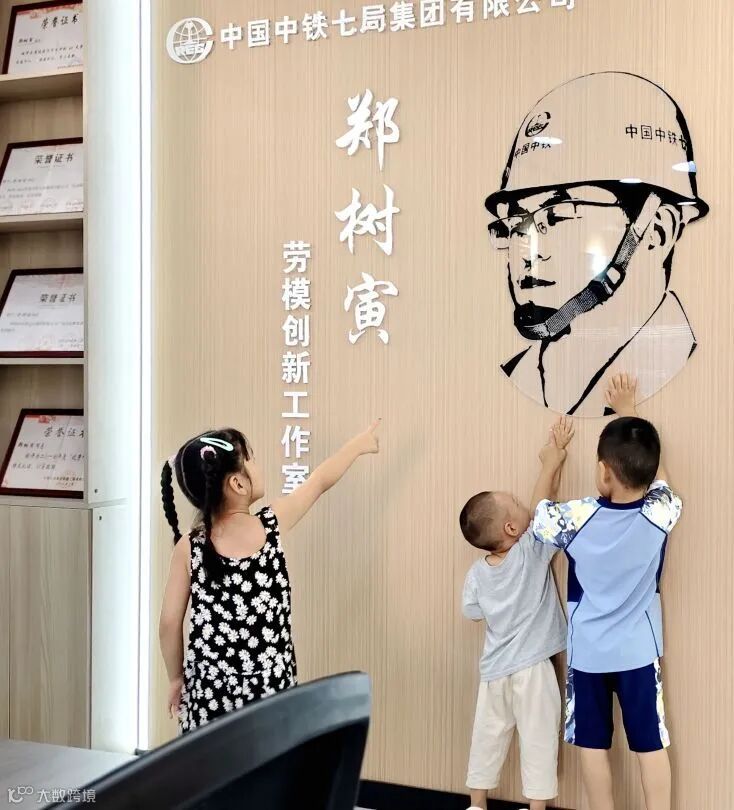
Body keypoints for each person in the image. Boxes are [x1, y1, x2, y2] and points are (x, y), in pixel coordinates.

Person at [484, 72, 709, 416]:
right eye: (516, 224)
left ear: (656, 231)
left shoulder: (682, 377)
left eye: (557, 216)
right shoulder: (521, 374)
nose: (527, 251)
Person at [158, 421, 380, 732]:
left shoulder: (190, 546)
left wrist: (175, 678)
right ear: (238, 483)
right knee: (273, 756)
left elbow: (169, 623)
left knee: (214, 760)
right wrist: (357, 445)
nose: (258, 466)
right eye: (252, 460)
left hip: (209, 693)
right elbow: (319, 481)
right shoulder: (270, 524)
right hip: (271, 690)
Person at [532, 374, 681, 810]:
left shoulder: (576, 517)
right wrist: (630, 412)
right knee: (651, 745)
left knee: (592, 745)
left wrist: (550, 462)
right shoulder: (660, 512)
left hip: (589, 654)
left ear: (602, 471)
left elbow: (539, 517)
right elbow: (661, 482)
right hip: (638, 652)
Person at [460, 416, 574, 810]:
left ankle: (477, 804)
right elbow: (543, 510)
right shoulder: (529, 551)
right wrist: (550, 462)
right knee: (538, 740)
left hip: (494, 672)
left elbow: (472, 611)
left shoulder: (478, 573)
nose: (525, 504)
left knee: (486, 738)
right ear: (512, 528)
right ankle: (536, 808)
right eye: (517, 503)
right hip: (532, 669)